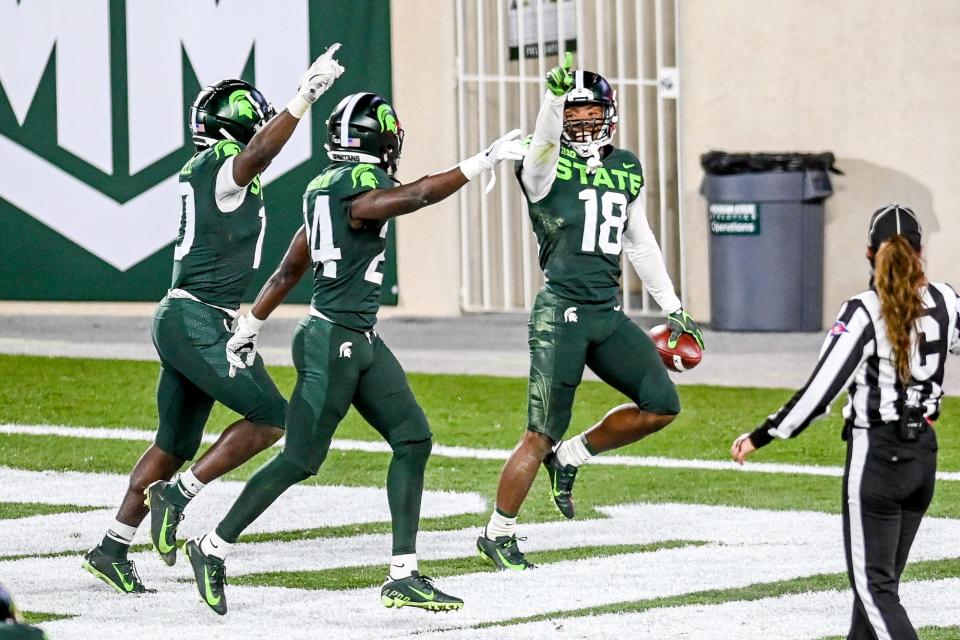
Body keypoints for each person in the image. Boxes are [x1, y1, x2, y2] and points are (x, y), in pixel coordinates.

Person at [182, 91, 527, 614]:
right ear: (381, 136)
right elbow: (407, 198)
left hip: (359, 335)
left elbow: (288, 269)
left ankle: (403, 573)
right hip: (333, 339)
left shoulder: (322, 184)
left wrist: (251, 325)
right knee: (300, 459)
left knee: (413, 438)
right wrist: (478, 163)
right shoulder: (357, 186)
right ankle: (212, 546)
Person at [81, 45, 345, 594]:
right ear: (240, 123)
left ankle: (111, 546)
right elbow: (257, 157)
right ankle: (181, 494)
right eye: (259, 119)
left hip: (197, 316)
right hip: (196, 318)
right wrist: (303, 99)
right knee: (272, 416)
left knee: (173, 443)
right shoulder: (219, 167)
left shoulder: (210, 171)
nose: (264, 128)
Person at [476, 52, 704, 570]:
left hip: (606, 311)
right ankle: (497, 533)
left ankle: (572, 458)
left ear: (608, 114)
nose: (581, 122)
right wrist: (550, 101)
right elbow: (538, 154)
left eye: (588, 112)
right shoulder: (543, 166)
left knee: (661, 403)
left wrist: (674, 307)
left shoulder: (625, 165)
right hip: (561, 314)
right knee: (538, 434)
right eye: (572, 114)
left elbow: (640, 242)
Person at [731, 204, 956, 640]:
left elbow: (820, 393)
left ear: (869, 253)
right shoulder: (946, 299)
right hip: (923, 457)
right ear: (921, 251)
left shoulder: (863, 311)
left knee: (875, 591)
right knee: (876, 594)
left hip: (877, 459)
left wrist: (763, 435)